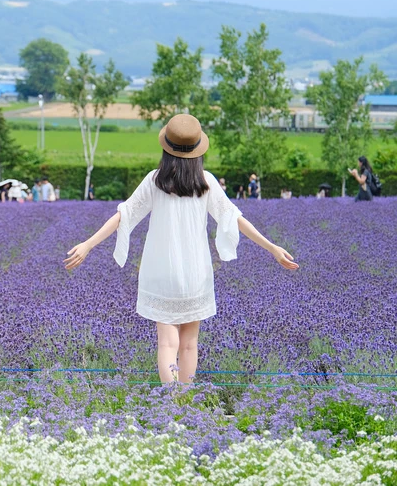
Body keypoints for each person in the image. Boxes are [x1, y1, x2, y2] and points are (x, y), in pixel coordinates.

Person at [63, 114, 299, 384]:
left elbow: (123, 216)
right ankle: (185, 404)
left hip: (160, 270)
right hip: (195, 271)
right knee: (189, 344)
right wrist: (272, 248)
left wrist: (88, 244)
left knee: (166, 344)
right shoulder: (206, 181)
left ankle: (171, 405)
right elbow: (235, 218)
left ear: (166, 149)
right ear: (198, 151)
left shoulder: (155, 181)